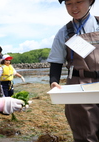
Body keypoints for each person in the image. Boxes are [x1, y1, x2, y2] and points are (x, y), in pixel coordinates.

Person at [47, 0, 99, 141]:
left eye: (79, 1)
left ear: (90, 1)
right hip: (79, 85)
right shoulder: (64, 32)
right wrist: (53, 82)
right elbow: (56, 62)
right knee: (85, 133)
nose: (74, 7)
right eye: (68, 3)